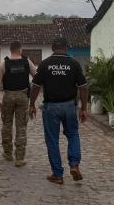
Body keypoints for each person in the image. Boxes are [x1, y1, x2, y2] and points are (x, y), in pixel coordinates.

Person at [29, 37, 88, 184]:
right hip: (69, 106)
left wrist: (31, 105)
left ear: (52, 48)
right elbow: (83, 87)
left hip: (51, 107)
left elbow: (35, 86)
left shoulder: (45, 64)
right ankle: (74, 165)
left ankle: (57, 174)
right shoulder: (74, 64)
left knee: (52, 140)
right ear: (66, 48)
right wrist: (84, 108)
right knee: (73, 134)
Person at [0, 41, 37, 167]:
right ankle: (19, 158)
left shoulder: (3, 63)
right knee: (21, 127)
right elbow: (36, 77)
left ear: (10, 50)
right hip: (23, 96)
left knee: (6, 125)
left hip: (8, 96)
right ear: (20, 50)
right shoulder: (27, 62)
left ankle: (8, 154)